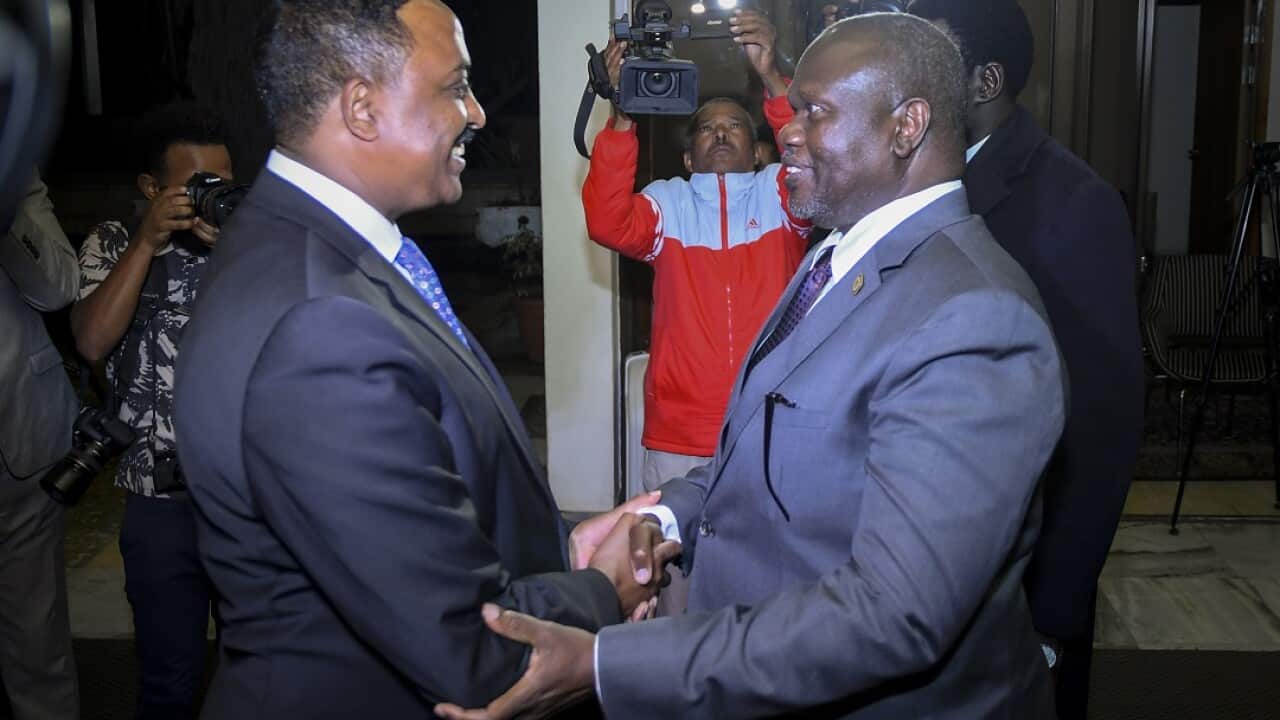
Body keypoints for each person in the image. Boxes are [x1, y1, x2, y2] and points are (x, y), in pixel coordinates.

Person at [436, 13, 1065, 720]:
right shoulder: (834, 257)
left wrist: (605, 662)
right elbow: (770, 447)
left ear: (906, 126)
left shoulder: (974, 316)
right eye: (792, 111)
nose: (787, 132)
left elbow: (893, 614)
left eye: (814, 111)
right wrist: (669, 514)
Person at [171, 2, 671, 718]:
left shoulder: (308, 247)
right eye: (455, 87)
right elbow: (466, 646)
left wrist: (560, 549)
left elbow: (415, 506)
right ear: (363, 109)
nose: (478, 113)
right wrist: (603, 590)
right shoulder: (321, 323)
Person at [907, 3, 1144, 717]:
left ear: (984, 82)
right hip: (923, 569)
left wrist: (1052, 614)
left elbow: (1100, 427)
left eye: (927, 58)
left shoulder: (1075, 204)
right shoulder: (907, 175)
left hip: (1018, 587)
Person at [585, 9, 811, 495]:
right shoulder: (667, 202)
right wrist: (622, 112)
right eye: (708, 128)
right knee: (675, 546)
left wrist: (771, 77)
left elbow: (814, 160)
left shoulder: (781, 192)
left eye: (735, 126)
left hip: (772, 422)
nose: (722, 133)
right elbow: (606, 221)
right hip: (681, 434)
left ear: (759, 152)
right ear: (688, 158)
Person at [69, 101, 230, 720]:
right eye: (195, 186)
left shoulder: (251, 239)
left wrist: (242, 247)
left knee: (258, 674)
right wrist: (147, 240)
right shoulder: (113, 242)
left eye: (221, 182)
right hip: (158, 503)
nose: (211, 197)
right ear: (150, 188)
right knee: (169, 680)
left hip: (247, 497)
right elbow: (91, 341)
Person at [0, 171, 80, 720]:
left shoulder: (13, 172)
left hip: (18, 447)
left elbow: (58, 288)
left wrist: (5, 212)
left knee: (36, 641)